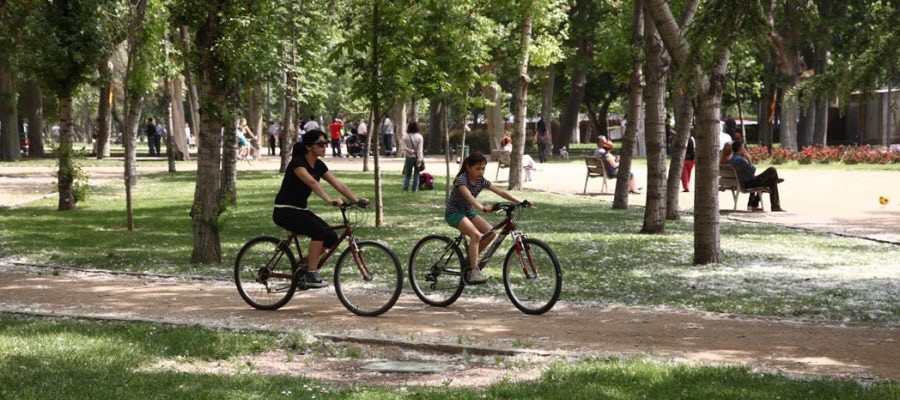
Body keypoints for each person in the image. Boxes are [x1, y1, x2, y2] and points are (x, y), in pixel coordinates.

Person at [272, 129, 368, 288]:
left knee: (331, 237)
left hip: (300, 210)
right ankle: (311, 273)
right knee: (319, 232)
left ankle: (304, 265)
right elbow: (312, 183)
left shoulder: (319, 164)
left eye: (326, 144)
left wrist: (356, 200)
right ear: (309, 146)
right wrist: (329, 200)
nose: (325, 147)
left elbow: (339, 184)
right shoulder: (297, 163)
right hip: (284, 210)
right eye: (321, 144)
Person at [445, 153, 527, 284]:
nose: (481, 172)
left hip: (468, 212)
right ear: (468, 167)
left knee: (491, 233)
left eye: (483, 168)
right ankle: (474, 271)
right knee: (475, 235)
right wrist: (482, 207)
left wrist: (520, 201)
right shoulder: (461, 180)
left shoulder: (481, 181)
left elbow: (501, 192)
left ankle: (470, 262)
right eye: (477, 168)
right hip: (454, 213)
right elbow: (469, 198)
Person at [728, 140, 785, 212]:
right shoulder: (740, 160)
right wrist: (748, 159)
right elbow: (753, 171)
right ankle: (775, 205)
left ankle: (757, 204)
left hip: (743, 182)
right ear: (740, 148)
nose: (745, 149)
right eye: (743, 147)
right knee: (772, 170)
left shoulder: (733, 159)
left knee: (771, 182)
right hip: (748, 183)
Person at [401, 122, 424, 191]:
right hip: (417, 157)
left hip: (408, 157)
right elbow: (420, 149)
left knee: (407, 174)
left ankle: (405, 188)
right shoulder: (420, 137)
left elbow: (403, 147)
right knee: (416, 174)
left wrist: (410, 151)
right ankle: (415, 189)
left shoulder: (405, 136)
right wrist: (420, 159)